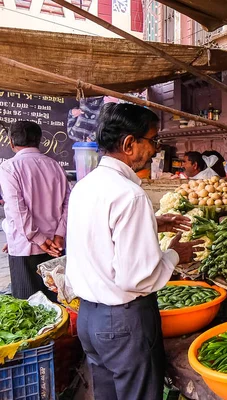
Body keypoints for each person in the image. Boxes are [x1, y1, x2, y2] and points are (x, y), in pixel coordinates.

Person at [65, 103, 203, 400]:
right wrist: (177, 254)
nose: (154, 150)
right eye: (152, 140)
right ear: (129, 143)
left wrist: (151, 223)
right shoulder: (129, 195)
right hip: (123, 322)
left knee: (109, 395)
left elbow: (99, 236)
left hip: (89, 318)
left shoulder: (85, 187)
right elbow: (137, 279)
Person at [0, 121, 70, 301]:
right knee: (56, 303)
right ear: (39, 140)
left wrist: (38, 238)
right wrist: (59, 235)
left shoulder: (9, 168)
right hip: (55, 247)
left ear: (11, 142)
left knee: (29, 307)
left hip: (25, 248)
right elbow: (69, 203)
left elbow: (17, 210)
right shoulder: (55, 166)